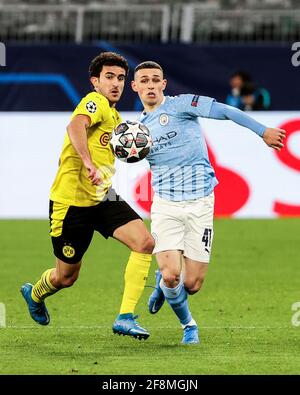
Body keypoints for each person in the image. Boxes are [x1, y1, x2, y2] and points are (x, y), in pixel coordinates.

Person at [131, 61, 285, 344]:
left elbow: (225, 110)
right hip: (165, 205)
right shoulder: (137, 132)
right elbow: (129, 156)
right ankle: (188, 324)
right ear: (136, 86)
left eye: (156, 80)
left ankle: (164, 285)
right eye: (144, 80)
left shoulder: (183, 104)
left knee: (192, 284)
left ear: (164, 84)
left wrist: (262, 131)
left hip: (201, 203)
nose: (150, 85)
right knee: (172, 275)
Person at [20, 52, 154, 340]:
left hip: (103, 197)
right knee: (65, 277)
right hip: (71, 204)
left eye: (120, 78)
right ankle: (36, 293)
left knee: (144, 242)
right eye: (109, 77)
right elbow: (75, 126)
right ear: (95, 81)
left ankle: (125, 316)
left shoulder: (115, 116)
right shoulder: (94, 103)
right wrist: (88, 161)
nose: (116, 83)